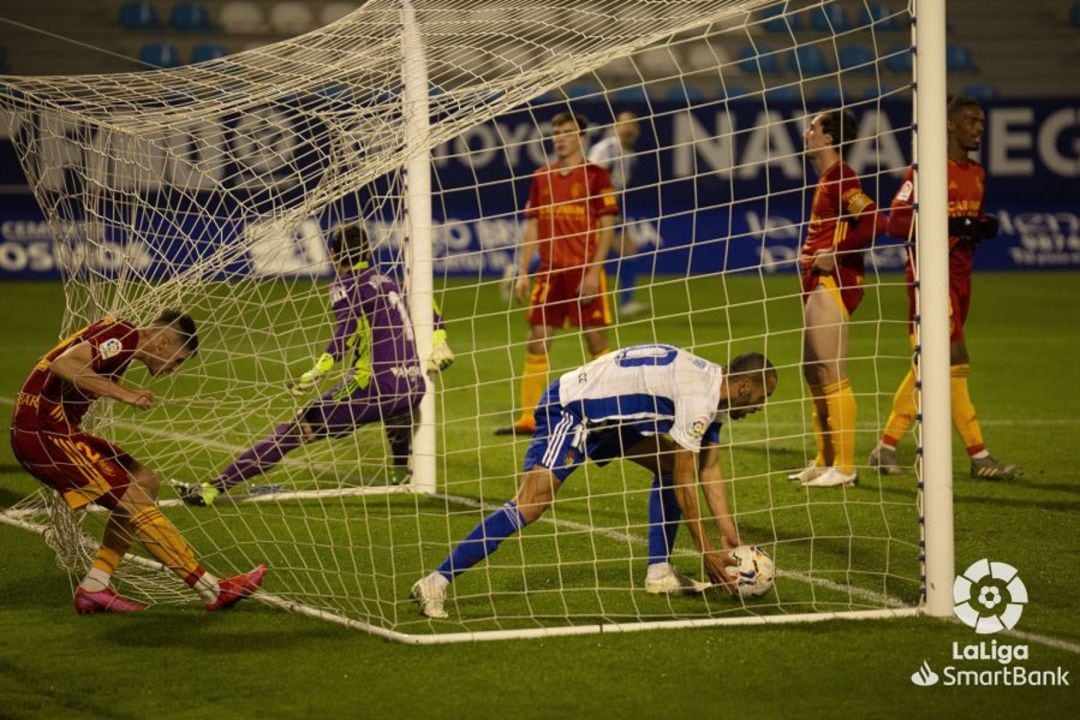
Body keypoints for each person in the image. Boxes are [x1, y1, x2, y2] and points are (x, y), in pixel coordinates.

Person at [411, 345, 777, 619]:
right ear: (744, 386)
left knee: (667, 466)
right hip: (573, 410)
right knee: (531, 505)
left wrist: (729, 536)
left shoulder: (713, 386)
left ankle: (660, 572)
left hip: (610, 419)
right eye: (764, 396)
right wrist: (706, 550)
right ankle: (436, 581)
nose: (762, 406)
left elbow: (709, 468)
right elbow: (687, 480)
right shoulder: (699, 397)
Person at [175, 224, 454, 506]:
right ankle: (400, 471)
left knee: (294, 430)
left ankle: (212, 489)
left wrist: (316, 371)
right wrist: (440, 339)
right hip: (413, 386)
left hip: (374, 388)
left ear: (333, 254)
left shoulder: (345, 286)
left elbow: (345, 333)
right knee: (398, 410)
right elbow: (428, 305)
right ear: (369, 252)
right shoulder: (391, 283)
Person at [9, 310, 266, 613]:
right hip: (45, 435)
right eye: (178, 360)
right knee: (133, 500)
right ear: (163, 343)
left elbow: (64, 360)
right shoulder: (124, 337)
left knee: (144, 481)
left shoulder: (119, 335)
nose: (175, 369)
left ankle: (95, 586)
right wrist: (124, 394)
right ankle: (213, 590)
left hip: (57, 431)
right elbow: (63, 364)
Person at [868, 96, 1022, 480]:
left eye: (981, 122)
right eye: (971, 121)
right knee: (953, 358)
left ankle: (886, 446)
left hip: (960, 276)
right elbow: (895, 224)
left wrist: (981, 225)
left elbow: (966, 223)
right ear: (950, 125)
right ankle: (979, 455)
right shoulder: (923, 171)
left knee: (935, 363)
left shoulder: (977, 173)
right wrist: (954, 226)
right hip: (929, 278)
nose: (979, 128)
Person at [496, 111, 618, 436]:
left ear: (582, 137)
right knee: (537, 339)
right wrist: (523, 270)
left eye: (566, 132)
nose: (560, 138)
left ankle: (607, 413)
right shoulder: (542, 177)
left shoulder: (596, 176)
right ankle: (530, 418)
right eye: (556, 133)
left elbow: (608, 228)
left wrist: (594, 272)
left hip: (583, 271)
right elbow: (532, 226)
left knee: (596, 340)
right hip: (549, 272)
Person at [790, 108, 885, 488]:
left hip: (834, 281)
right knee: (812, 370)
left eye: (812, 127)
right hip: (815, 280)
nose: (806, 133)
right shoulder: (828, 179)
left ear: (828, 138)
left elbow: (875, 220)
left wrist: (836, 251)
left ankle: (845, 468)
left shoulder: (842, 176)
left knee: (831, 371)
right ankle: (824, 460)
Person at [587, 110, 649, 318]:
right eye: (624, 124)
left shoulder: (630, 156)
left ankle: (627, 302)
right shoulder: (605, 150)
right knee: (569, 253)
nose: (628, 128)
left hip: (610, 210)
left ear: (637, 130)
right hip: (594, 210)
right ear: (615, 127)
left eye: (632, 125)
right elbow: (589, 179)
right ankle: (518, 272)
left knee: (628, 249)